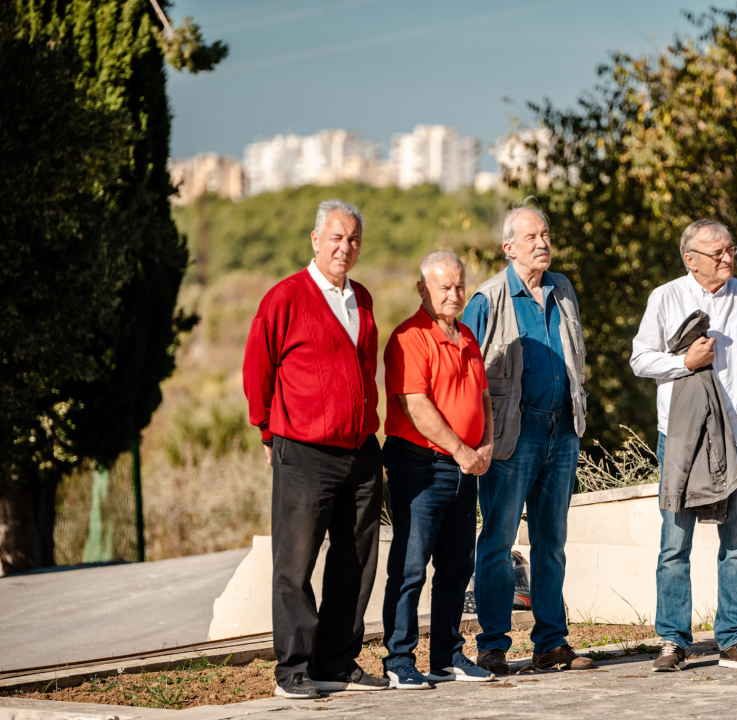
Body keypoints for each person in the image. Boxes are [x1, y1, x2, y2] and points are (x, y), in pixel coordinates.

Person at [242, 199, 388, 698]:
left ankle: (337, 662)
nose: (345, 247)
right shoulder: (285, 298)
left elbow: (363, 369)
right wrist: (268, 431)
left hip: (361, 451)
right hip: (304, 451)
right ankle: (294, 669)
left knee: (356, 563)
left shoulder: (361, 298)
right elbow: (257, 371)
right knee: (296, 563)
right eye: (336, 237)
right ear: (315, 239)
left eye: (353, 239)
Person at [630, 220, 737, 673]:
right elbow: (640, 359)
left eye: (731, 249)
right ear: (690, 259)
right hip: (682, 436)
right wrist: (684, 361)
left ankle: (734, 639)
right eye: (717, 253)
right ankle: (672, 641)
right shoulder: (665, 296)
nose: (727, 258)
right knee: (675, 542)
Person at [461, 206, 593, 674]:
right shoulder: (487, 299)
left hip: (562, 429)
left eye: (546, 234)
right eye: (531, 237)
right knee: (497, 541)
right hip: (512, 435)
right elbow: (465, 372)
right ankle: (492, 646)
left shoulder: (563, 289)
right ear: (509, 247)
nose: (542, 243)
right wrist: (475, 438)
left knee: (551, 542)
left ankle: (551, 644)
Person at [380, 251, 496, 689]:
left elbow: (483, 397)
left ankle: (447, 656)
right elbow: (416, 405)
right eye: (444, 286)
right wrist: (462, 450)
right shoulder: (409, 337)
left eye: (459, 286)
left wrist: (486, 444)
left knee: (456, 567)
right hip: (421, 465)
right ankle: (399, 660)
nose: (454, 294)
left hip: (465, 467)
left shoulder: (467, 335)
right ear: (422, 289)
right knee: (411, 567)